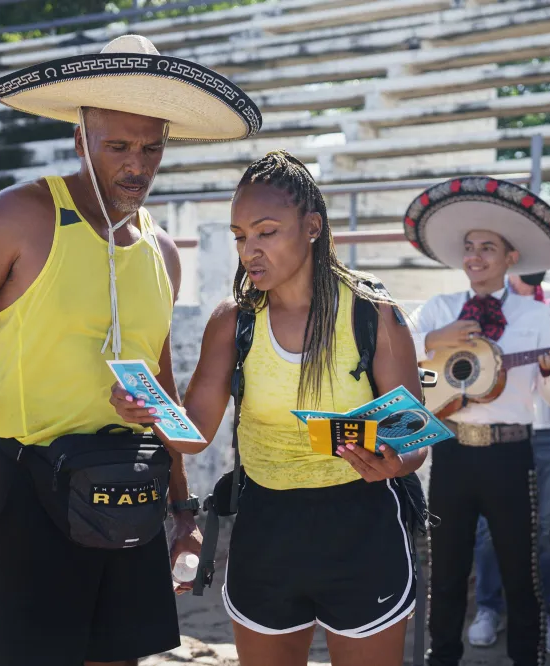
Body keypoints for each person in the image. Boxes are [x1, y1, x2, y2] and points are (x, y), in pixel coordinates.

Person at [0, 35, 262, 666]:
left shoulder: (163, 253)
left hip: (130, 486)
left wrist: (182, 509)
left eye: (151, 147)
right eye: (118, 146)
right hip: (26, 486)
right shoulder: (21, 215)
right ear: (81, 139)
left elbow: (161, 384)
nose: (137, 164)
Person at [111, 150, 426, 666]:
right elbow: (194, 434)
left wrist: (395, 461)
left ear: (312, 227)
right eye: (239, 236)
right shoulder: (234, 322)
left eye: (266, 232)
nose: (249, 250)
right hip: (265, 526)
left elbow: (412, 437)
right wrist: (148, 409)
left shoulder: (374, 315)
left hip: (362, 526)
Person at [403, 177, 550, 666]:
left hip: (510, 452)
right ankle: (443, 657)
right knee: (448, 569)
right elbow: (398, 356)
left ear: (510, 258)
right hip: (452, 450)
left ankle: (528, 657)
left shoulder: (536, 316)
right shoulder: (438, 309)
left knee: (521, 569)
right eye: (469, 247)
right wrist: (437, 338)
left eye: (487, 247)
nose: (475, 256)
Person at [468, 270, 550, 654]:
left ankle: (541, 613)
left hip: (547, 429)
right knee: (486, 527)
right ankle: (488, 608)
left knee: (543, 528)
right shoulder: (480, 301)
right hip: (496, 427)